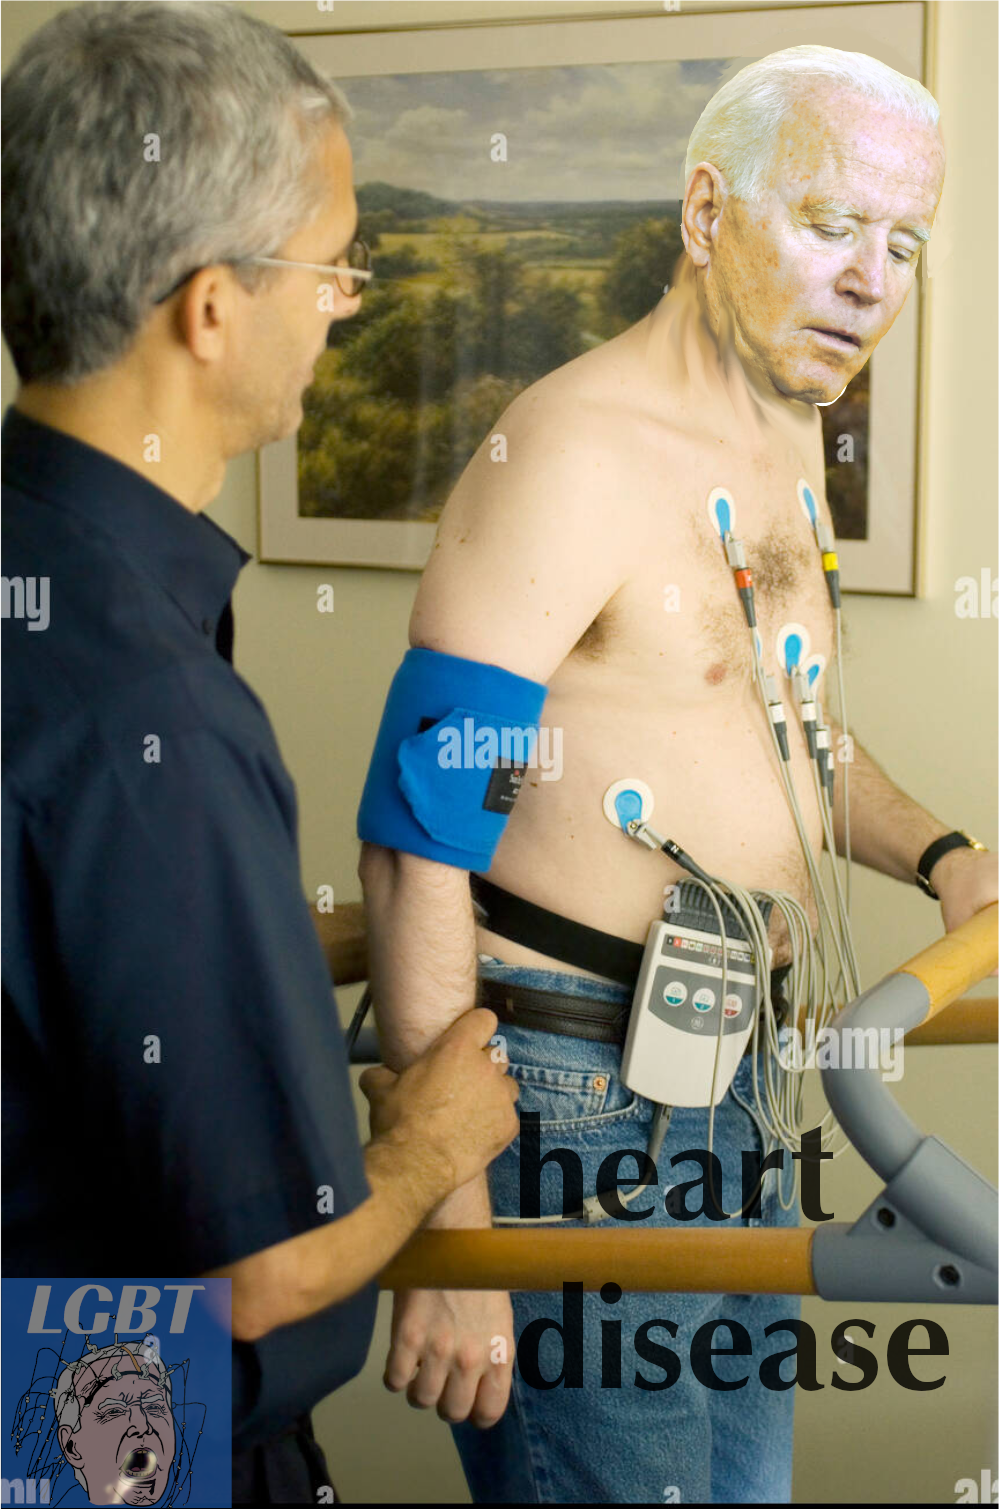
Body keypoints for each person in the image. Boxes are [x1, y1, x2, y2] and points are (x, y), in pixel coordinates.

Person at [358, 42, 999, 1505]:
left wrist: (945, 854)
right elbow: (414, 834)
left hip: (737, 1076)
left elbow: (789, 732)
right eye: (829, 223)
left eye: (904, 243)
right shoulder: (572, 451)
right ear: (707, 211)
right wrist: (450, 1229)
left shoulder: (779, 426)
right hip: (573, 1093)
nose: (871, 280)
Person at [0, 2, 520, 1503]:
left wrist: (289, 949)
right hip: (107, 1445)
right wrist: (430, 1148)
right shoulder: (145, 711)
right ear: (213, 308)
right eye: (332, 264)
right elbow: (264, 1274)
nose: (345, 303)